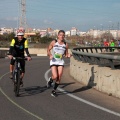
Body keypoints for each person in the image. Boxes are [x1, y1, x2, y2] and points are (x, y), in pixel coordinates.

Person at [47, 30, 72, 97]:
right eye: (60, 35)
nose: (62, 36)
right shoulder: (54, 42)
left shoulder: (65, 44)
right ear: (58, 36)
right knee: (55, 76)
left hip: (60, 61)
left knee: (59, 76)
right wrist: (50, 55)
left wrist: (68, 55)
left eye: (63, 35)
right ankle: (51, 79)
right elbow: (48, 50)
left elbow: (66, 54)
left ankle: (54, 91)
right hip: (54, 61)